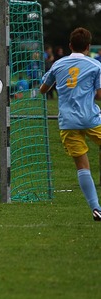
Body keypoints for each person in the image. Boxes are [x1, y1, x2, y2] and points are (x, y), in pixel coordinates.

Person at [40, 27, 101, 221]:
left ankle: (95, 208)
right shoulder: (95, 65)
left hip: (68, 122)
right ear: (88, 47)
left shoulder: (58, 64)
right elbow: (99, 94)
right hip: (91, 118)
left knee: (83, 167)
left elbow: (43, 89)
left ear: (69, 45)